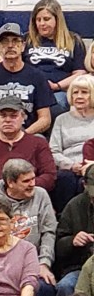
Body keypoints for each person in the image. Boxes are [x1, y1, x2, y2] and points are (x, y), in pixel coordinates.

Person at [0, 159, 57, 296]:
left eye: (33, 179)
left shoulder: (41, 195)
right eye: (26, 181)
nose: (33, 184)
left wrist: (44, 263)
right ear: (10, 183)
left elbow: (49, 232)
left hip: (31, 264)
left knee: (46, 287)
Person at [0, 98, 57, 210]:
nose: (7, 120)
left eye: (13, 116)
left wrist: (22, 188)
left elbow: (49, 176)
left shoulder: (39, 144)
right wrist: (1, 192)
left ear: (23, 117)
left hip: (31, 204)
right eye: (3, 116)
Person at [0, 23, 55, 136]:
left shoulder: (38, 77)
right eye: (5, 41)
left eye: (15, 41)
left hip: (27, 134)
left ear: (23, 46)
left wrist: (22, 136)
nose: (10, 45)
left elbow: (45, 119)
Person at [26, 0, 87, 118]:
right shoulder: (27, 40)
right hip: (30, 89)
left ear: (57, 20)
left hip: (60, 91)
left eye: (46, 19)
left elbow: (80, 73)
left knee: (56, 106)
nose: (42, 23)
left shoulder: (73, 41)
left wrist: (56, 86)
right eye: (38, 20)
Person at [49, 74, 94, 210]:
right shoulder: (61, 119)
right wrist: (72, 165)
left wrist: (90, 166)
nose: (79, 96)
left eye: (84, 92)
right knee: (64, 178)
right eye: (75, 92)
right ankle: (64, 217)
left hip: (92, 166)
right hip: (69, 168)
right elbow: (53, 151)